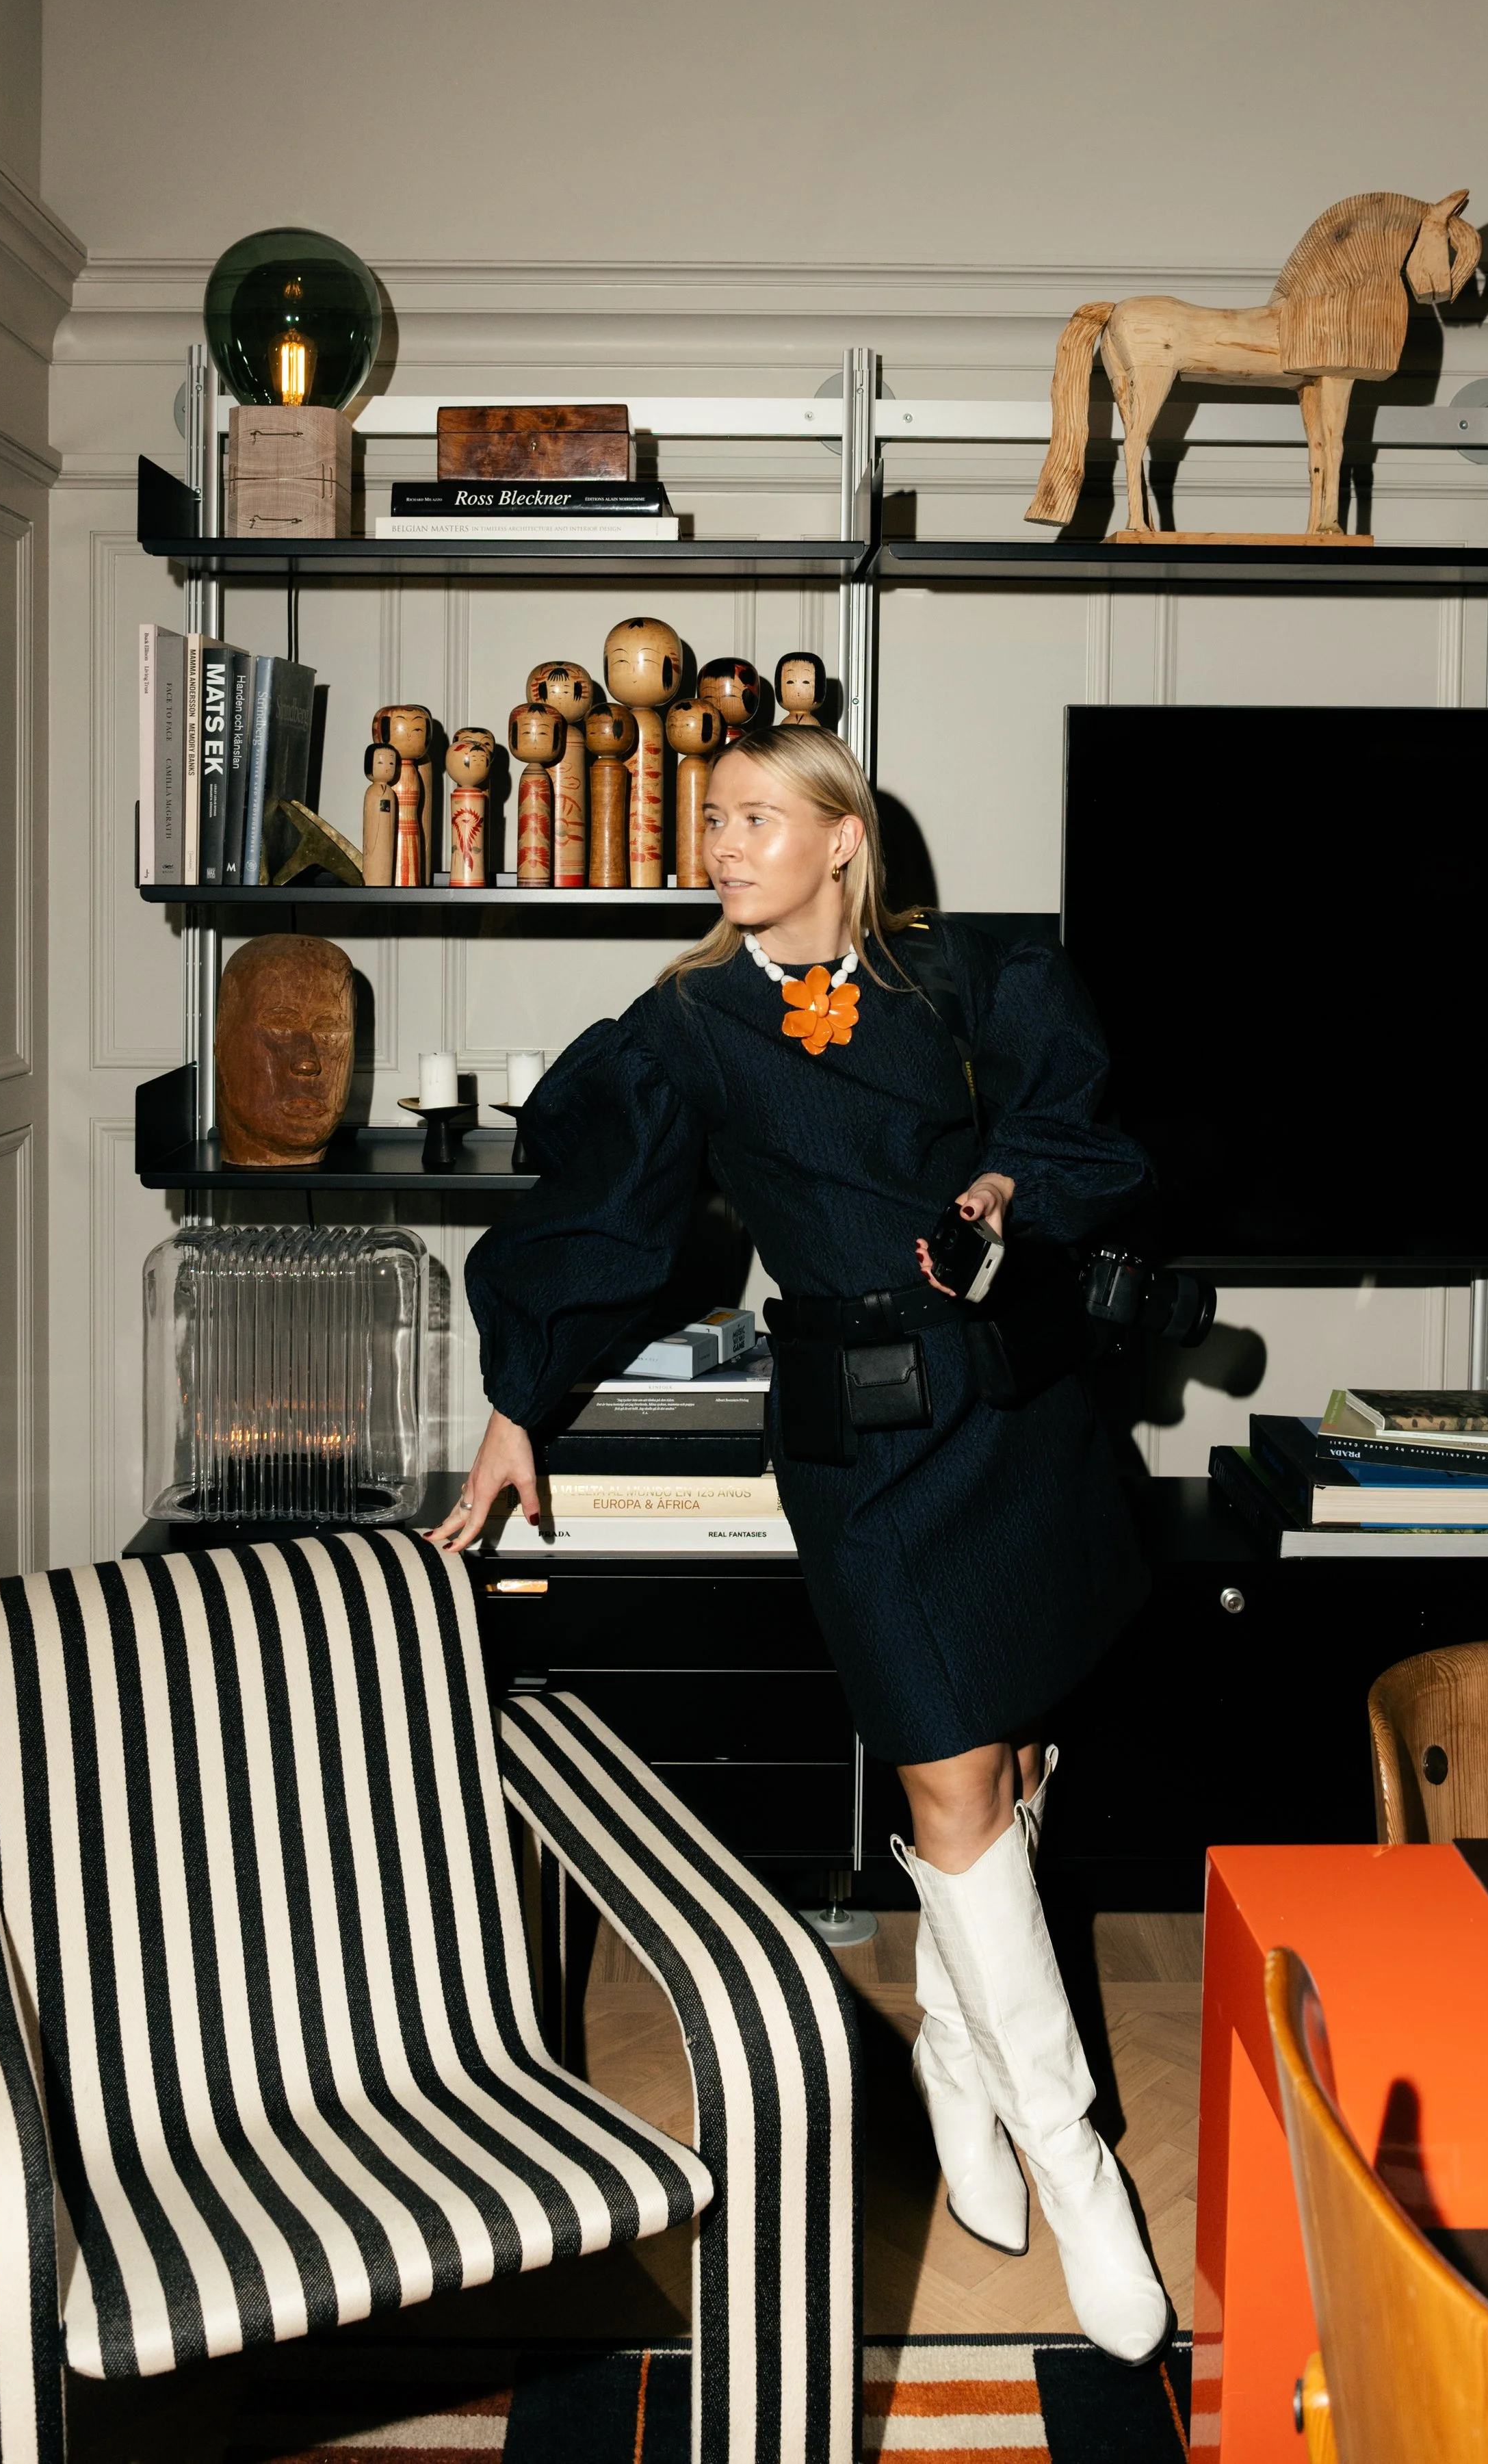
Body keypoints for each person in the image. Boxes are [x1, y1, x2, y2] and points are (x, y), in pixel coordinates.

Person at [429, 727, 1166, 2361]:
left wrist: (997, 1192)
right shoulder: (689, 1023)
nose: (723, 844)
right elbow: (609, 1222)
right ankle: (1071, 2151)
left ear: (842, 841)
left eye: (756, 818)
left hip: (1019, 1419)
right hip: (861, 1441)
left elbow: (1084, 1142)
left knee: (1015, 1765)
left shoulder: (972, 979)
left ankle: (959, 2066)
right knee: (946, 1776)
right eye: (712, 822)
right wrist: (517, 1403)